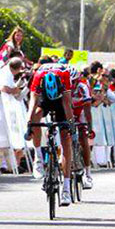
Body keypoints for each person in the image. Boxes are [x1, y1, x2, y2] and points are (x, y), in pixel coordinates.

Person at [26, 57, 74, 206]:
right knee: (36, 115)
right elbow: (33, 102)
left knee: (66, 139)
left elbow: (67, 104)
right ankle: (38, 158)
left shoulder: (65, 75)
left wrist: (70, 125)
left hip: (61, 101)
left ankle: (66, 189)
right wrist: (29, 124)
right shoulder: (38, 76)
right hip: (45, 98)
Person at [69, 66, 95, 189]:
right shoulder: (64, 84)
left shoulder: (83, 86)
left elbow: (88, 110)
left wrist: (89, 128)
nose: (72, 85)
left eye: (73, 82)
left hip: (81, 110)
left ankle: (88, 174)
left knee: (83, 137)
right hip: (68, 109)